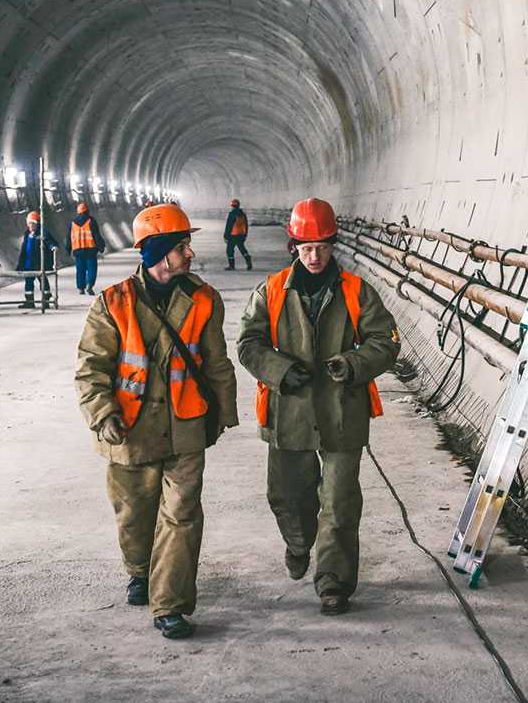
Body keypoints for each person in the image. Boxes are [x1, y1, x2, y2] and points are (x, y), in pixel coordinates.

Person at [74, 203, 239, 640]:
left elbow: (216, 362)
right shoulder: (113, 303)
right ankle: (139, 570)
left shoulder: (204, 299)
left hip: (186, 424)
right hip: (129, 430)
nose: (190, 254)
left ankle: (170, 605)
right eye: (183, 246)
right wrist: (102, 413)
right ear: (161, 252)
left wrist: (223, 414)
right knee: (134, 513)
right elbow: (92, 367)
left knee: (182, 514)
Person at [236, 197, 401, 615]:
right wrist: (278, 369)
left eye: (322, 247)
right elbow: (248, 343)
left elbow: (386, 341)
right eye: (306, 248)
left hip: (342, 412)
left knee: (340, 501)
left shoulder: (357, 292)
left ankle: (333, 581)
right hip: (288, 412)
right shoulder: (271, 291)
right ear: (294, 246)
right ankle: (297, 543)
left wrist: (353, 363)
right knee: (289, 498)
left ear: (333, 245)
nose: (315, 256)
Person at [16, 210, 59, 308]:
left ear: (37, 224)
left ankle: (46, 299)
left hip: (40, 264)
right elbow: (24, 250)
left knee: (43, 281)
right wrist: (20, 264)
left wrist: (52, 247)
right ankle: (30, 301)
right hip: (28, 264)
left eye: (33, 223)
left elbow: (49, 241)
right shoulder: (27, 234)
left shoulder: (42, 233)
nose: (31, 225)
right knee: (28, 283)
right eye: (29, 223)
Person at [70, 201, 103, 295]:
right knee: (92, 269)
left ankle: (81, 288)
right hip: (90, 250)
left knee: (80, 270)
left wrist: (68, 249)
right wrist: (101, 246)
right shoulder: (91, 221)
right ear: (87, 211)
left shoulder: (72, 223)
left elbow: (69, 237)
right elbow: (96, 235)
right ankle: (90, 285)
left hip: (78, 250)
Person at [223, 198, 252, 271]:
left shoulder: (232, 214)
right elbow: (246, 225)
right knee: (242, 249)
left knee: (229, 250)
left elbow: (229, 226)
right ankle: (249, 262)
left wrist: (226, 236)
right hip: (241, 235)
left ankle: (231, 266)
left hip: (233, 235)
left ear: (232, 206)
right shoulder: (243, 214)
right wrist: (245, 235)